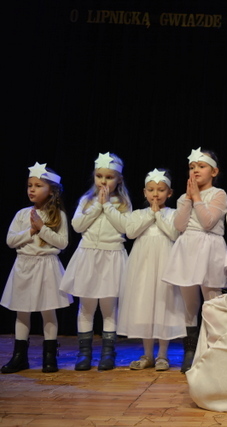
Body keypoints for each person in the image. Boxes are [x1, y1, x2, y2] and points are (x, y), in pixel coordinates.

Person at [60, 152, 131, 371]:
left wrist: (107, 206)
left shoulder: (123, 203)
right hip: (88, 256)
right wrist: (97, 206)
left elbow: (126, 228)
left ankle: (108, 352)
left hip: (112, 256)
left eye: (109, 177)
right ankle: (84, 353)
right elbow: (77, 226)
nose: (103, 181)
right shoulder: (87, 200)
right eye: (99, 176)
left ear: (119, 179)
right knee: (86, 307)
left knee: (109, 308)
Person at [1, 163, 72, 374]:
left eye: (38, 185)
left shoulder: (58, 215)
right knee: (22, 311)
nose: (32, 189)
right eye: (30, 185)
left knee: (48, 310)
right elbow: (10, 241)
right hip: (24, 265)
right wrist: (31, 231)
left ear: (51, 190)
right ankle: (19, 356)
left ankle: (49, 356)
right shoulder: (22, 214)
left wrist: (41, 229)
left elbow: (62, 243)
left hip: (46, 265)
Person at [162, 147, 227, 373]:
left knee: (212, 302)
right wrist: (189, 199)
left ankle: (213, 349)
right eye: (192, 167)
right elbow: (179, 225)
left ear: (214, 171)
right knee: (189, 306)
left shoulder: (219, 194)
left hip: (210, 249)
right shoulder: (184, 197)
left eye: (201, 166)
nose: (196, 170)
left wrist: (197, 198)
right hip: (187, 250)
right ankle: (190, 350)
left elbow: (208, 222)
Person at [117, 169, 184, 371]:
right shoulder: (138, 214)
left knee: (164, 304)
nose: (156, 194)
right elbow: (131, 232)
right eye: (151, 190)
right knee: (144, 306)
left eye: (161, 190)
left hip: (165, 263)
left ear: (169, 193)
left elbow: (173, 234)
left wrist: (158, 216)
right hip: (143, 266)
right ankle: (147, 354)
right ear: (144, 192)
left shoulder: (173, 214)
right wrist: (150, 215)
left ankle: (163, 354)